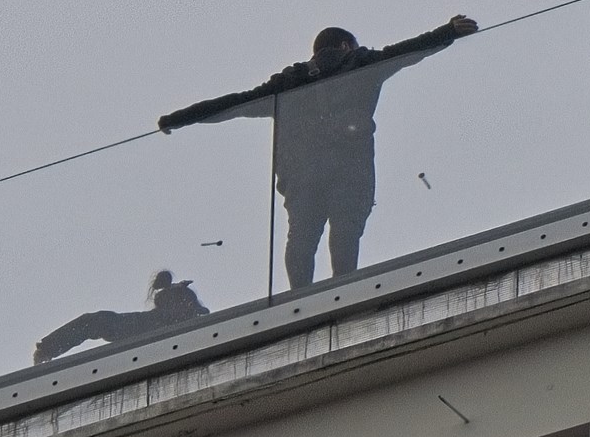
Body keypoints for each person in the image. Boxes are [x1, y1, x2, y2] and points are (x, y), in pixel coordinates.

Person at [161, 15, 478, 291]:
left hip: (302, 175)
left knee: (301, 237)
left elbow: (232, 104)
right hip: (349, 170)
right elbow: (406, 52)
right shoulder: (359, 63)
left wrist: (178, 118)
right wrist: (448, 31)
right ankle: (341, 290)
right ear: (345, 46)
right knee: (345, 231)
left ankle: (299, 298)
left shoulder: (290, 81)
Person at [33, 270, 211, 365]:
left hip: (143, 330)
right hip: (138, 328)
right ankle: (46, 350)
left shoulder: (188, 316)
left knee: (95, 321)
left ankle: (47, 350)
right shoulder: (155, 319)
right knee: (95, 321)